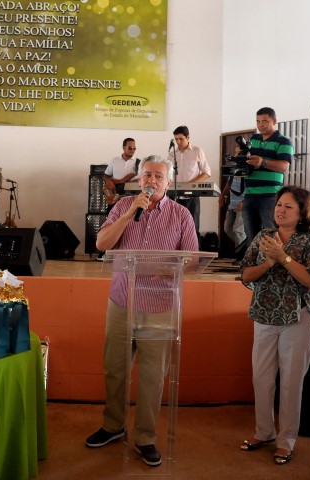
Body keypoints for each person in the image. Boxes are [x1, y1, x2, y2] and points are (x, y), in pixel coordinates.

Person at [85, 155, 199, 467]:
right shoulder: (123, 207)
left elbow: (191, 260)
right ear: (139, 179)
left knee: (152, 376)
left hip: (160, 306)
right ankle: (113, 425)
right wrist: (131, 213)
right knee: (115, 368)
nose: (151, 180)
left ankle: (145, 437)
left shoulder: (181, 215)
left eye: (158, 176)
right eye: (147, 174)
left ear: (169, 182)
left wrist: (160, 269)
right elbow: (101, 243)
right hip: (122, 301)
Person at [239, 185, 310, 466]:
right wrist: (268, 262)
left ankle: (286, 441)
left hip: (298, 319)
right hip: (264, 316)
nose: (280, 209)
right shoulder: (264, 237)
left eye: (288, 206)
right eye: (279, 204)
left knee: (290, 384)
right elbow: (245, 275)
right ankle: (264, 433)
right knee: (261, 380)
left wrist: (283, 257)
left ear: (302, 212)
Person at [241, 107, 294, 248]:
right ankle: (254, 266)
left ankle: (273, 266)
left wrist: (262, 162)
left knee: (270, 233)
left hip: (270, 195)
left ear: (274, 121)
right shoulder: (254, 139)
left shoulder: (283, 141)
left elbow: (284, 166)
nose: (260, 125)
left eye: (265, 121)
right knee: (250, 235)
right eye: (258, 121)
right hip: (250, 194)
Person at [167, 125, 211, 236]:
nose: (178, 141)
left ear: (188, 137)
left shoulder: (197, 151)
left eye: (181, 139)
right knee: (174, 229)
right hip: (174, 196)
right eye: (176, 139)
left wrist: (190, 185)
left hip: (192, 197)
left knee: (192, 229)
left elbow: (206, 172)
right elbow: (167, 173)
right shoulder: (172, 154)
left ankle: (194, 253)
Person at [102, 138, 139, 212]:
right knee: (112, 216)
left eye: (134, 148)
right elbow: (105, 176)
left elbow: (140, 179)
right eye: (130, 148)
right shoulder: (114, 160)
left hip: (130, 197)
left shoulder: (138, 163)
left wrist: (122, 181)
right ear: (123, 147)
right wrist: (109, 181)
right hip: (115, 196)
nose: (132, 150)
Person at [219, 175, 247, 262]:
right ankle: (246, 246)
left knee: (238, 230)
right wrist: (222, 195)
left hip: (244, 205)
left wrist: (244, 201)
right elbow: (229, 183)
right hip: (232, 205)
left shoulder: (249, 169)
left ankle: (242, 257)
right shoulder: (233, 171)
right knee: (227, 229)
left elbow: (253, 187)